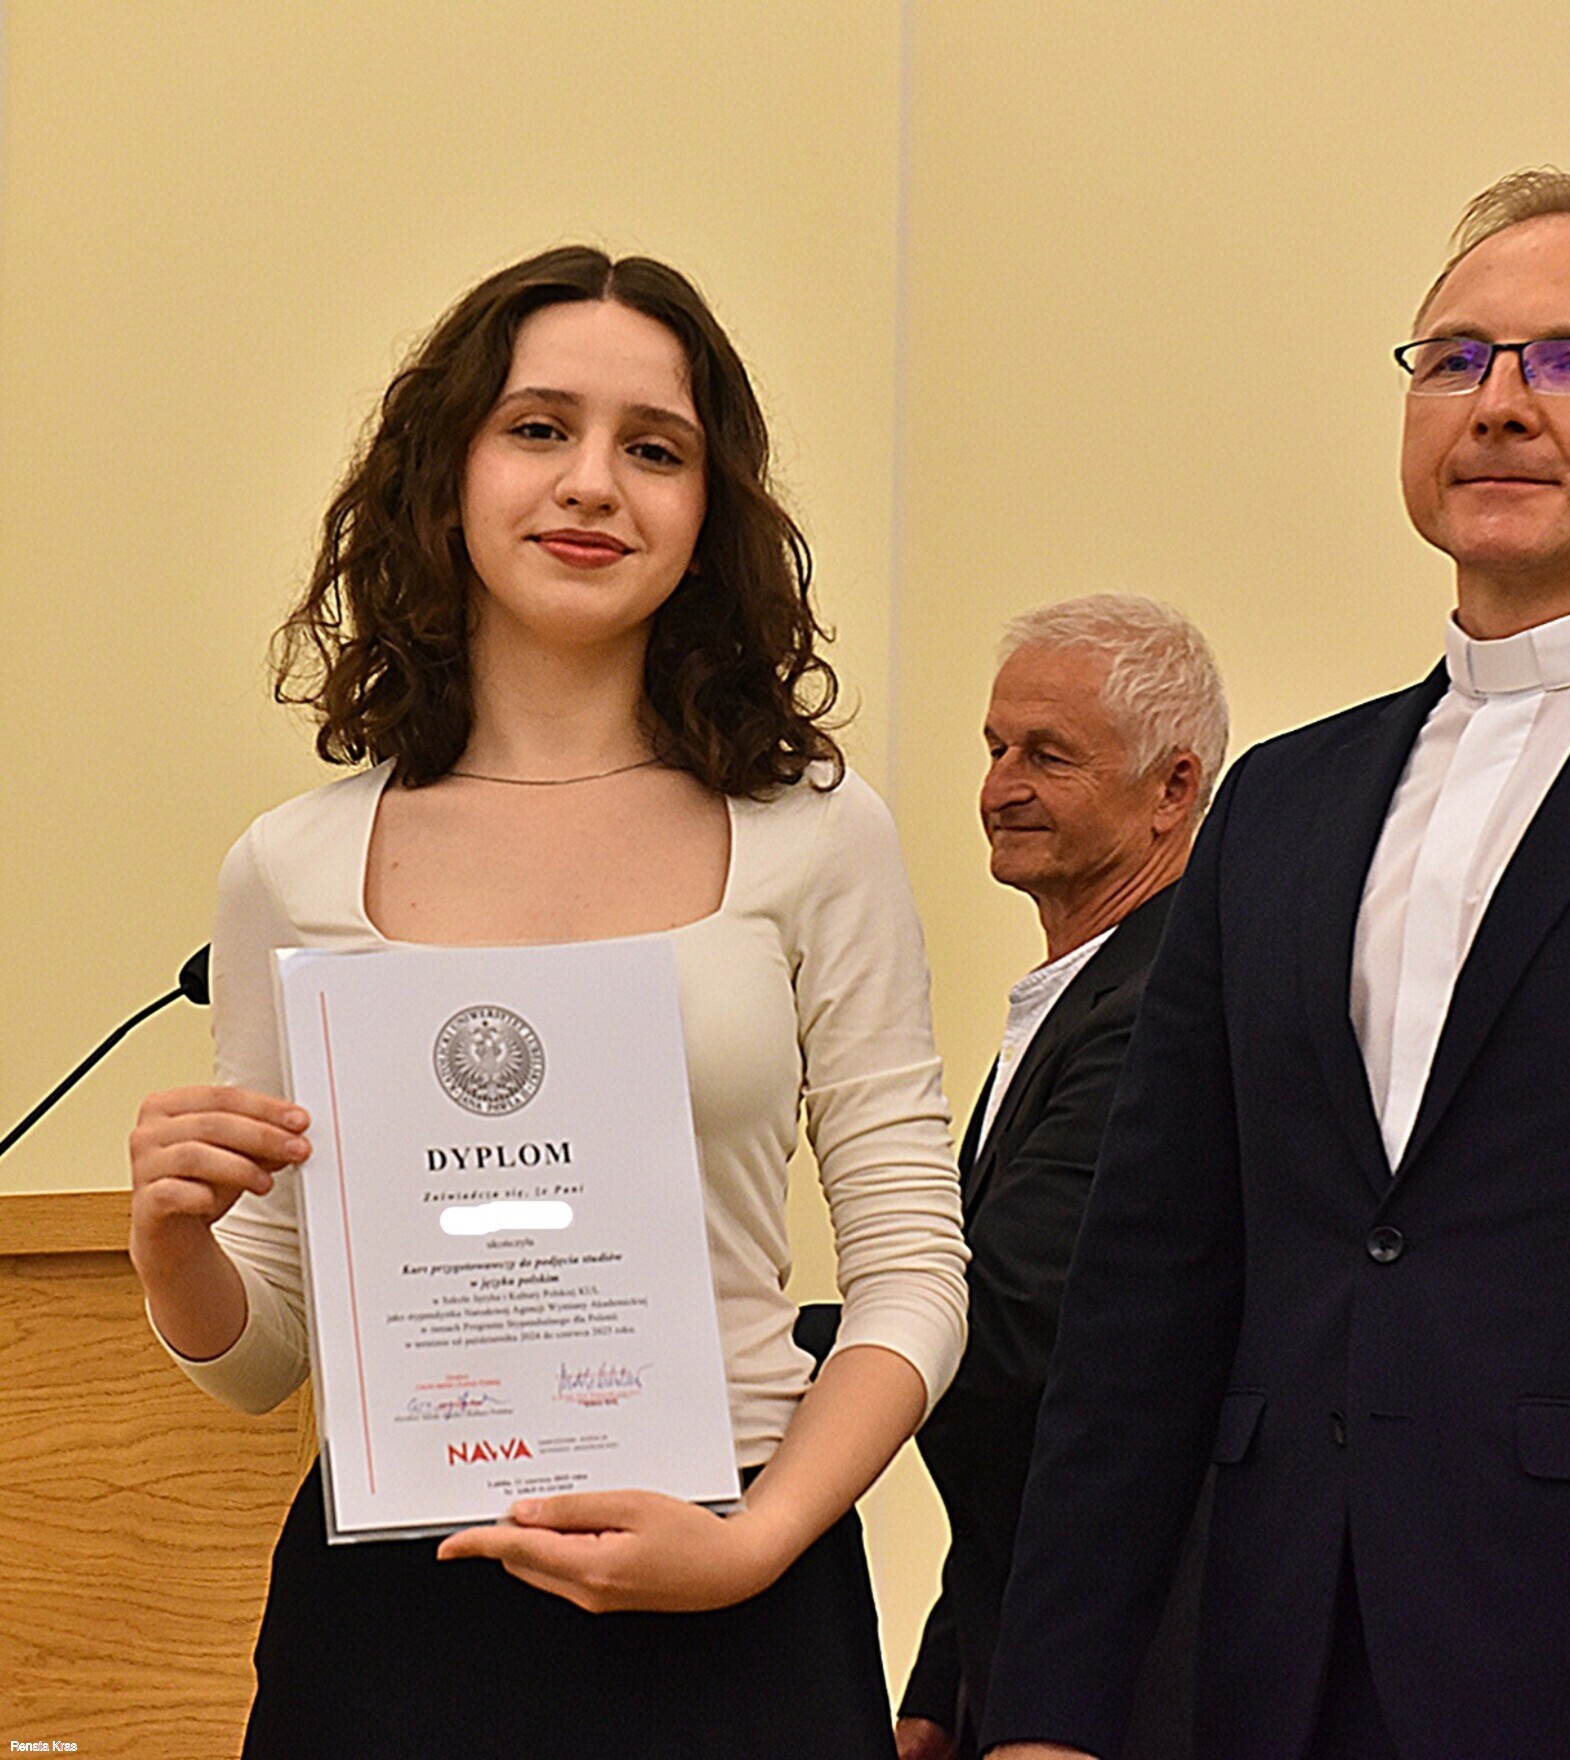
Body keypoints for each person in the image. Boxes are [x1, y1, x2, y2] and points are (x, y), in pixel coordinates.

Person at [980, 169, 1570, 1760]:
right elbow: (1147, 1287)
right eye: (1454, 359)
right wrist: (1051, 1707)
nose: (1500, 401)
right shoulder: (1282, 802)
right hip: (1269, 1678)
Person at [126, 246, 968, 1759]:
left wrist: (760, 1539)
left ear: (708, 515)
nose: (593, 482)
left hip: (739, 1595)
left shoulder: (815, 832)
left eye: (656, 449)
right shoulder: (292, 867)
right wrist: (175, 1246)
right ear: (445, 474)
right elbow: (262, 1359)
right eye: (537, 428)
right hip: (395, 1624)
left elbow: (913, 1269)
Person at [895, 596, 1226, 1760]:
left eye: (1048, 754)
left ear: (1173, 788)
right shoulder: (1088, 987)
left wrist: (735, 1351)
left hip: (1117, 1683)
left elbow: (1019, 1333)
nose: (1000, 786)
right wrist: (944, 1673)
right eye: (994, 747)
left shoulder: (1159, 1009)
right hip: (1023, 1648)